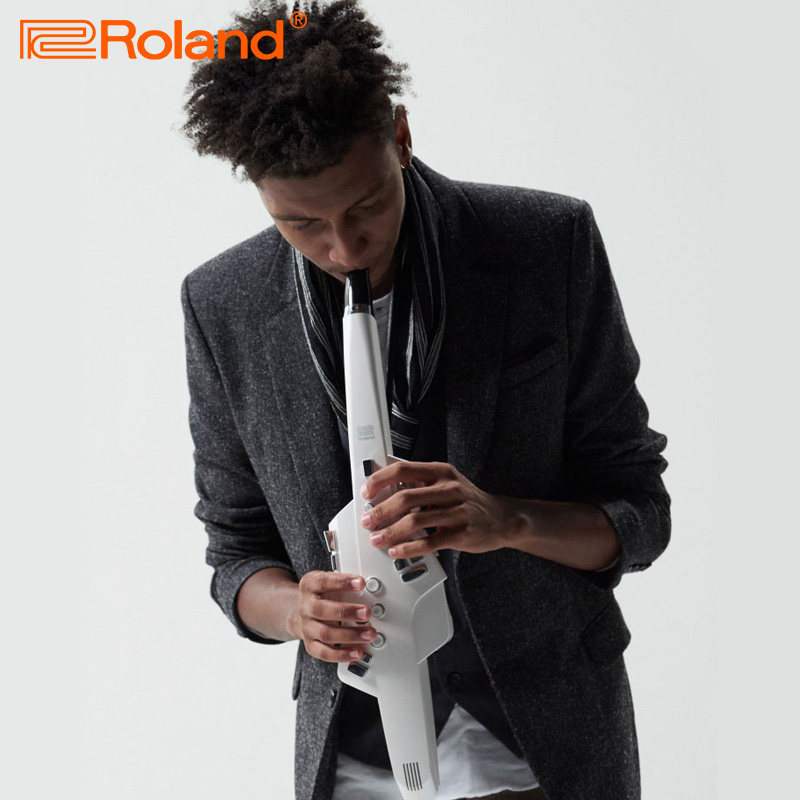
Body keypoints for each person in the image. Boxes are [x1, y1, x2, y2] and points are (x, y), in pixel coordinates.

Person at [179, 2, 671, 799]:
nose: (344, 248)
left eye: (365, 206)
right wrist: (297, 611)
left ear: (401, 136)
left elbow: (641, 512)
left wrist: (507, 520)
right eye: (301, 224)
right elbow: (236, 554)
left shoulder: (547, 244)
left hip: (545, 743)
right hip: (356, 756)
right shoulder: (222, 304)